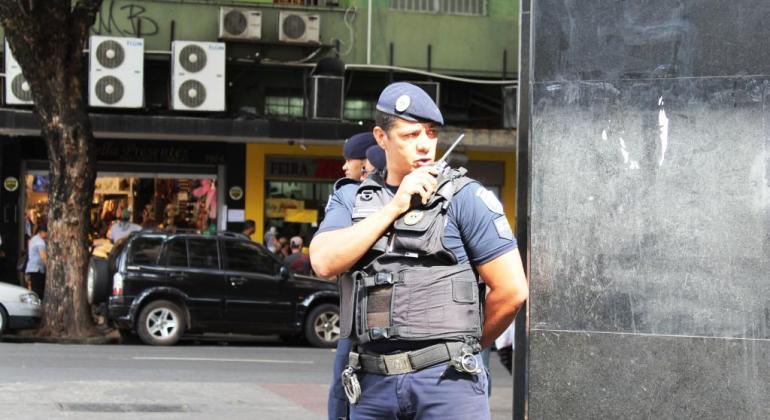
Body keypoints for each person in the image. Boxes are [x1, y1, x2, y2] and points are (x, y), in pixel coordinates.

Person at [311, 82, 528, 419]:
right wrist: (394, 208)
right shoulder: (353, 200)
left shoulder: (465, 197)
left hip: (447, 383)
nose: (425, 145)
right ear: (381, 138)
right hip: (373, 385)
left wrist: (465, 346)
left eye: (430, 133)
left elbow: (512, 290)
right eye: (410, 135)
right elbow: (324, 262)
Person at [326, 131, 380, 420]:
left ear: (366, 163)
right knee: (341, 385)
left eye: (350, 160)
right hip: (355, 311)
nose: (345, 167)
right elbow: (328, 258)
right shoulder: (348, 197)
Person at [25, 224, 48, 299]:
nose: (47, 235)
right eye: (46, 233)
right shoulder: (40, 242)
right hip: (37, 269)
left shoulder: (33, 239)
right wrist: (48, 267)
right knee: (38, 290)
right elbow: (43, 256)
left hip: (31, 268)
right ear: (42, 232)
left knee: (33, 289)